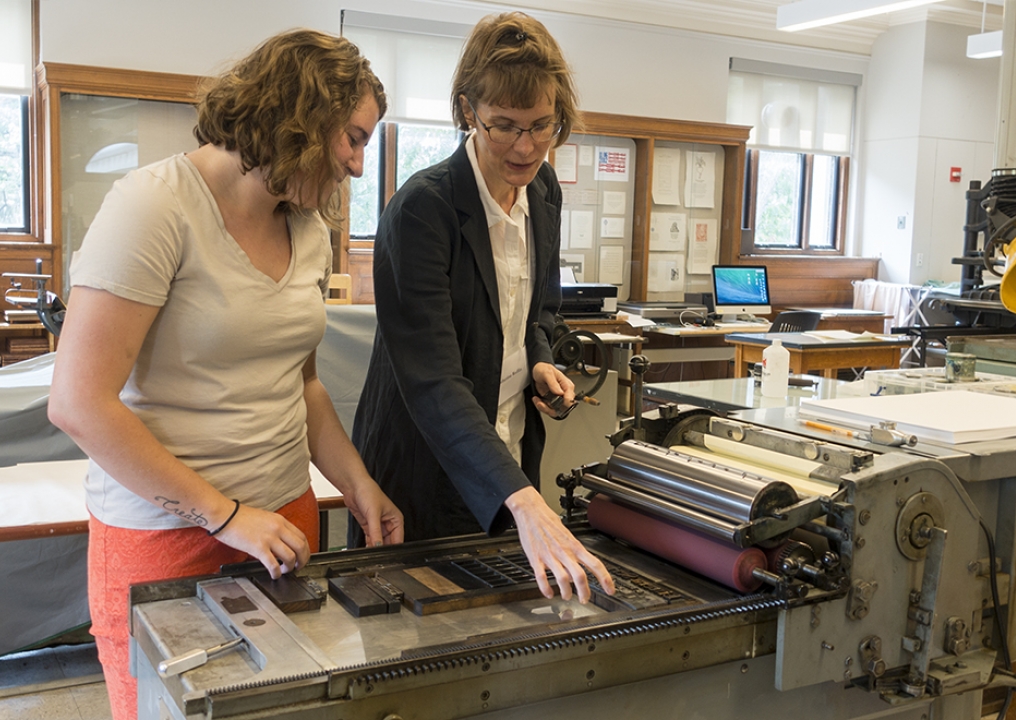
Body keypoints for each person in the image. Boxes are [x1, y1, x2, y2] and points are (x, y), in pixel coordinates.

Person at [48, 29, 403, 720]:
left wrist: (357, 485)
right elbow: (79, 404)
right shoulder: (154, 207)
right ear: (302, 115)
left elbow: (301, 386)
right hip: (165, 535)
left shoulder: (305, 225)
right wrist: (227, 515)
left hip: (280, 524)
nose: (358, 166)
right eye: (352, 139)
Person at [352, 12, 614, 604]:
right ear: (468, 111)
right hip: (423, 473)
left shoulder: (543, 192)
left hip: (509, 455)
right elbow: (434, 384)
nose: (525, 148)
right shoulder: (423, 211)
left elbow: (540, 306)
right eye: (504, 127)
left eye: (541, 126)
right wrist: (522, 499)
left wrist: (541, 359)